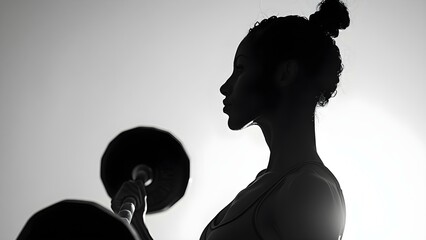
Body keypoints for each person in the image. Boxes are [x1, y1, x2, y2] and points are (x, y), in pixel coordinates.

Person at [112, 0, 350, 239]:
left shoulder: (309, 188)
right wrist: (137, 227)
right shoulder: (265, 184)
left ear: (285, 73)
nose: (225, 87)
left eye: (240, 68)